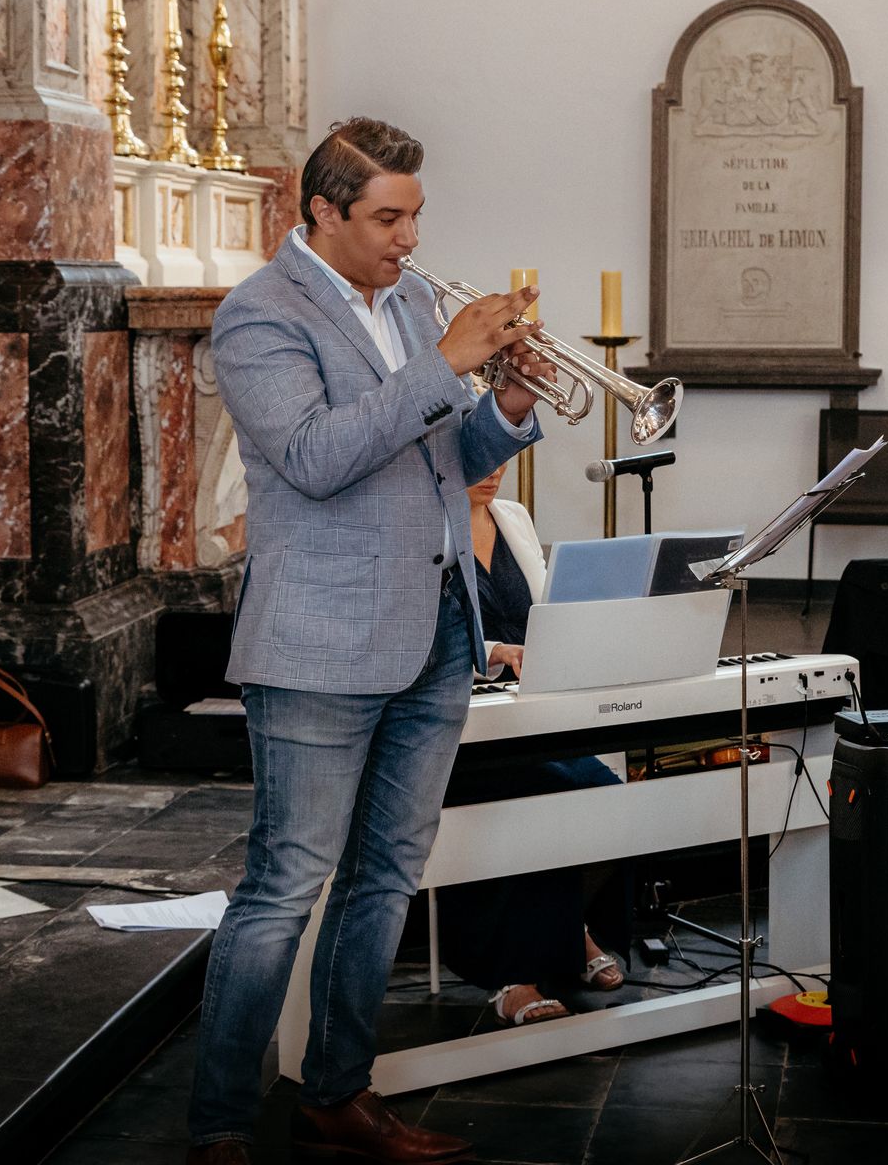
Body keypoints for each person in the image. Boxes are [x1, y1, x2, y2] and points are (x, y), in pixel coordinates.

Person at [187, 117, 552, 1165]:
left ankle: (338, 1092)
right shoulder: (259, 315)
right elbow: (314, 456)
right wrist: (447, 361)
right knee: (284, 885)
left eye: (415, 216)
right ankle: (217, 1124)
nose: (408, 238)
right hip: (319, 638)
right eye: (387, 218)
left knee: (386, 875)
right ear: (322, 212)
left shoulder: (411, 302)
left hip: (437, 627)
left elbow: (440, 461)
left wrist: (510, 403)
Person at [434, 464, 629, 1025]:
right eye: (479, 456)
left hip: (532, 719)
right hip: (455, 727)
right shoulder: (424, 523)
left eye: (502, 458)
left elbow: (548, 611)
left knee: (604, 793)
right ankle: (511, 975)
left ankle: (570, 933)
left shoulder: (512, 517)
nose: (494, 470)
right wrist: (496, 651)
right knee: (542, 795)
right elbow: (425, 627)